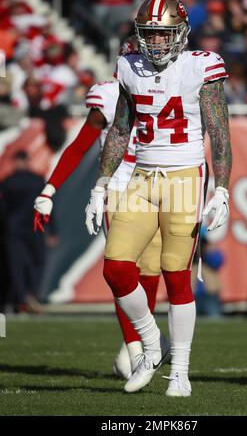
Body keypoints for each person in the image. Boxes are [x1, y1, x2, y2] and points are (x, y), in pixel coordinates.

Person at [85, 0, 232, 397]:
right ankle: (152, 346)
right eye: (150, 34)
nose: (158, 42)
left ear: (181, 34)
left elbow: (219, 130)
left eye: (165, 34)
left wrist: (221, 187)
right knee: (115, 268)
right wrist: (100, 184)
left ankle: (180, 371)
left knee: (176, 275)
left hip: (185, 175)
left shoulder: (201, 66)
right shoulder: (129, 67)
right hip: (142, 177)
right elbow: (119, 129)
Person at [33, 37, 165, 380]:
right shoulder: (108, 94)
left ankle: (141, 344)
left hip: (158, 189)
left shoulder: (169, 90)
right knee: (124, 271)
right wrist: (50, 188)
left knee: (150, 272)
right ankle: (137, 349)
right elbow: (79, 147)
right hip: (118, 189)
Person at [0, 151, 52, 313]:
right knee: (37, 262)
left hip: (13, 229)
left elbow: (3, 209)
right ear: (27, 160)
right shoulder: (37, 181)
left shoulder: (8, 182)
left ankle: (22, 297)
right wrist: (52, 229)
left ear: (16, 161)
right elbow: (48, 205)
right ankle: (32, 293)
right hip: (35, 227)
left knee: (16, 265)